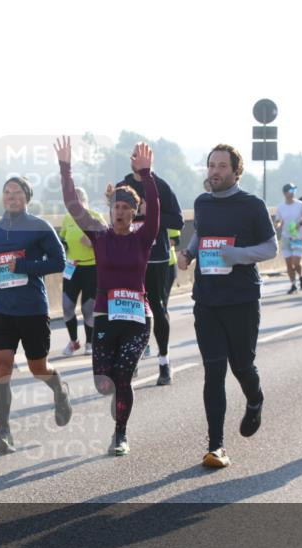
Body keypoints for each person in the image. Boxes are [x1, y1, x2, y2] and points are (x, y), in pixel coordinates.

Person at [177, 144, 277, 468]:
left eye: (222, 166)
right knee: (214, 370)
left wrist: (238, 256)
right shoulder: (202, 203)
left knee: (242, 365)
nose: (215, 171)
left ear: (236, 171)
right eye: (211, 165)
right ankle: (216, 446)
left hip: (242, 298)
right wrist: (189, 253)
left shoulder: (251, 205)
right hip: (207, 299)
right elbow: (202, 234)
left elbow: (271, 248)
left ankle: (255, 399)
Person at [57, 137, 158, 455]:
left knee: (123, 376)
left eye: (127, 208)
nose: (120, 212)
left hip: (138, 318)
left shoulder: (143, 238)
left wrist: (146, 175)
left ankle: (120, 434)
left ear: (134, 212)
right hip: (105, 315)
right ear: (109, 209)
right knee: (105, 383)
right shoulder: (99, 236)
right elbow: (73, 205)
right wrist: (65, 168)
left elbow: (156, 210)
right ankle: (118, 383)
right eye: (116, 206)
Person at [0, 176, 71, 454]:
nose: (11, 196)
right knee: (2, 364)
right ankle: (4, 431)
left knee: (37, 368)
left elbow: (59, 261)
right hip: (2, 308)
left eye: (16, 192)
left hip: (32, 308)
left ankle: (59, 391)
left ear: (27, 197)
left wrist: (26, 265)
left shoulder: (39, 227)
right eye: (6, 192)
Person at [115, 152, 185, 385]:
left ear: (150, 162)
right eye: (135, 157)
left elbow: (178, 220)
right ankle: (132, 358)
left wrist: (151, 214)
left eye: (142, 159)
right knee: (129, 309)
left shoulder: (160, 185)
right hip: (128, 257)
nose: (138, 162)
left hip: (155, 258)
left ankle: (164, 362)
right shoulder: (122, 186)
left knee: (157, 307)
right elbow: (115, 217)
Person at [58, 186, 101, 356]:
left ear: (84, 202)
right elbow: (62, 240)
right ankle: (74, 341)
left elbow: (109, 240)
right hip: (72, 267)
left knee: (88, 309)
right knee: (67, 306)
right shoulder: (68, 219)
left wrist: (94, 241)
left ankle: (90, 343)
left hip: (92, 268)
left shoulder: (95, 217)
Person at [274, 183, 302, 294]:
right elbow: (278, 220)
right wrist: (278, 224)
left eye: (294, 190)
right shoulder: (280, 207)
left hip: (297, 236)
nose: (293, 192)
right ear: (285, 193)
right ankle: (293, 284)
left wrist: (300, 224)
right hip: (286, 237)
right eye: (291, 190)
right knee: (289, 263)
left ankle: (301, 276)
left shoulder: (300, 204)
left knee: (296, 261)